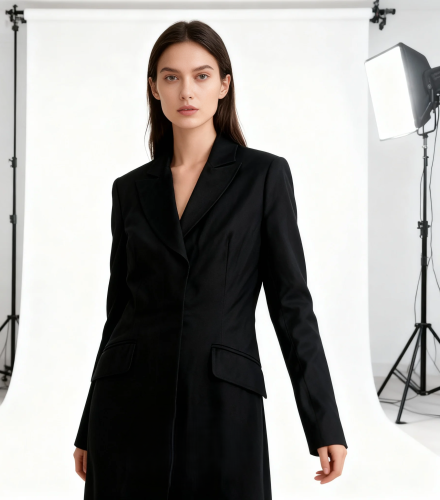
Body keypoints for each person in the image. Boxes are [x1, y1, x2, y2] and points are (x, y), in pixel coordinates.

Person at [73, 20, 348, 500]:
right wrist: (86, 426)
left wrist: (323, 421)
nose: (187, 91)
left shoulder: (263, 175)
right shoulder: (130, 189)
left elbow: (291, 305)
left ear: (224, 85)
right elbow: (119, 314)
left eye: (201, 76)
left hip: (223, 401)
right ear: (154, 88)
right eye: (171, 77)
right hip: (128, 404)